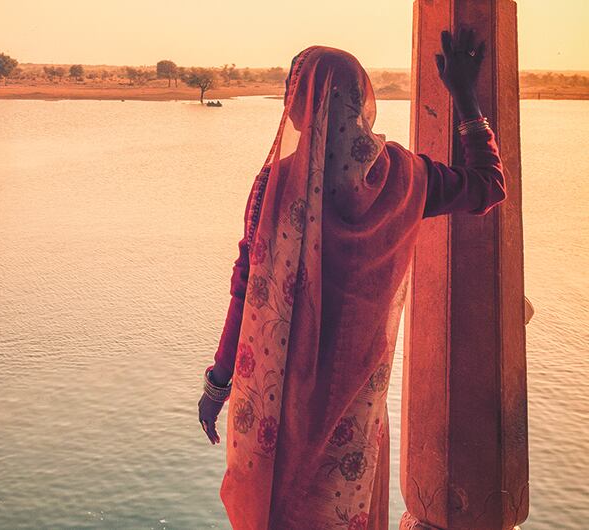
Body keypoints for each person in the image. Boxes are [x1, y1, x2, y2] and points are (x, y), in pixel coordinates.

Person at [197, 29, 505, 529]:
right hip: (354, 399)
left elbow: (245, 286)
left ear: (296, 112)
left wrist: (218, 381)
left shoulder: (275, 188)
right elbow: (488, 186)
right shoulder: (405, 179)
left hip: (281, 400)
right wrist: (467, 98)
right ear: (362, 104)